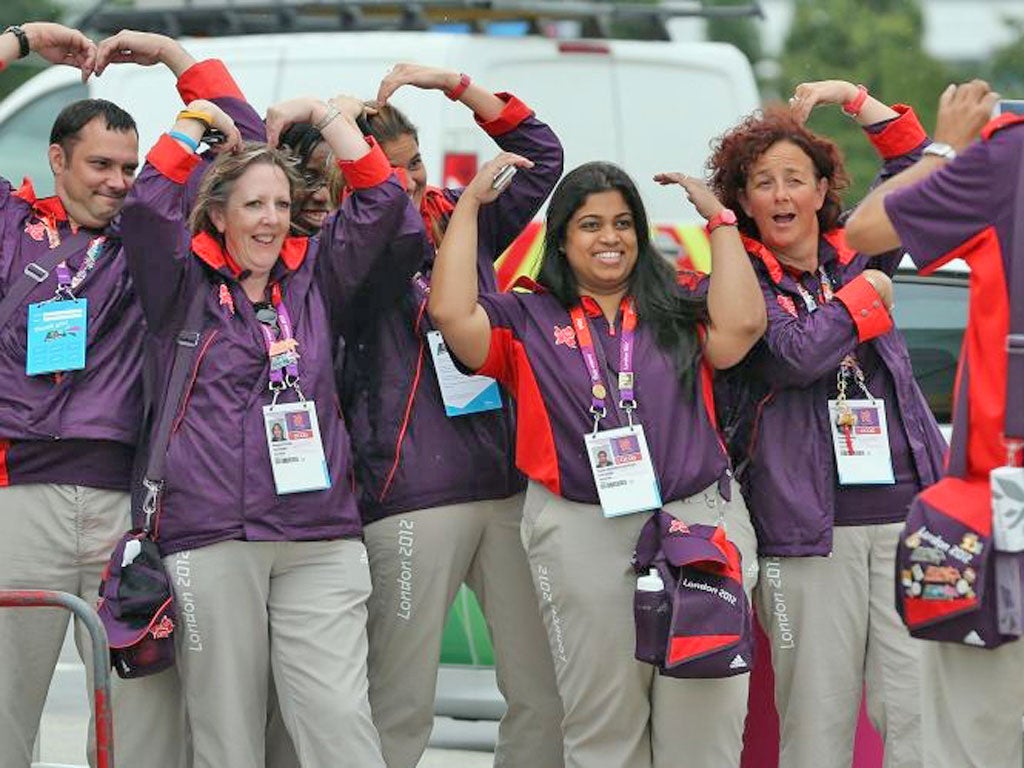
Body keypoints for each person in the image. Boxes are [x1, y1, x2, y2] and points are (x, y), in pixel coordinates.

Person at [119, 82, 423, 767]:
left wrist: (329, 118)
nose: (271, 220)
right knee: (227, 733)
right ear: (218, 213)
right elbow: (144, 207)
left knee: (339, 720)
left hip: (319, 533)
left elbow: (386, 207)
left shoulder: (317, 273)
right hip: (212, 530)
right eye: (253, 204)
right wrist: (195, 122)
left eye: (282, 205)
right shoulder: (180, 281)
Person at [428, 154, 765, 768]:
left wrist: (719, 221)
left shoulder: (681, 302)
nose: (609, 238)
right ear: (561, 239)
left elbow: (742, 327)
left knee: (707, 718)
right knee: (602, 722)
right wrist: (471, 206)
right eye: (589, 224)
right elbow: (452, 314)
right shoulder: (526, 316)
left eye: (622, 223)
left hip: (697, 521)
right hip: (582, 527)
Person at [706, 80, 947, 768]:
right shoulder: (734, 280)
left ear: (820, 191)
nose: (781, 196)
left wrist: (856, 98)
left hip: (907, 516)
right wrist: (861, 302)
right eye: (762, 183)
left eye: (795, 180)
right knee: (817, 725)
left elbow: (912, 172)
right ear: (742, 200)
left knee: (917, 714)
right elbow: (791, 356)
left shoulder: (858, 250)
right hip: (807, 533)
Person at [334, 64, 566, 767]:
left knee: (546, 692)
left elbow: (542, 154)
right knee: (398, 704)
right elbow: (384, 222)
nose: (406, 180)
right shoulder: (343, 244)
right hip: (409, 496)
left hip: (503, 486)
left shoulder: (457, 216)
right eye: (386, 168)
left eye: (414, 165)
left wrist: (452, 84)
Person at [0, 22, 217, 768]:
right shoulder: (9, 226)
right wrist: (22, 38)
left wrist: (171, 58)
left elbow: (246, 142)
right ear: (56, 159)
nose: (119, 181)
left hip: (125, 507)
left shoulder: (154, 236)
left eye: (129, 165)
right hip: (16, 497)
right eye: (100, 164)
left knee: (140, 713)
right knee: (4, 707)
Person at [845, 79, 1021, 768]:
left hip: (1003, 502)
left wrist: (945, 144)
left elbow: (866, 230)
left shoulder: (1010, 158)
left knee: (973, 740)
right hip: (1003, 502)